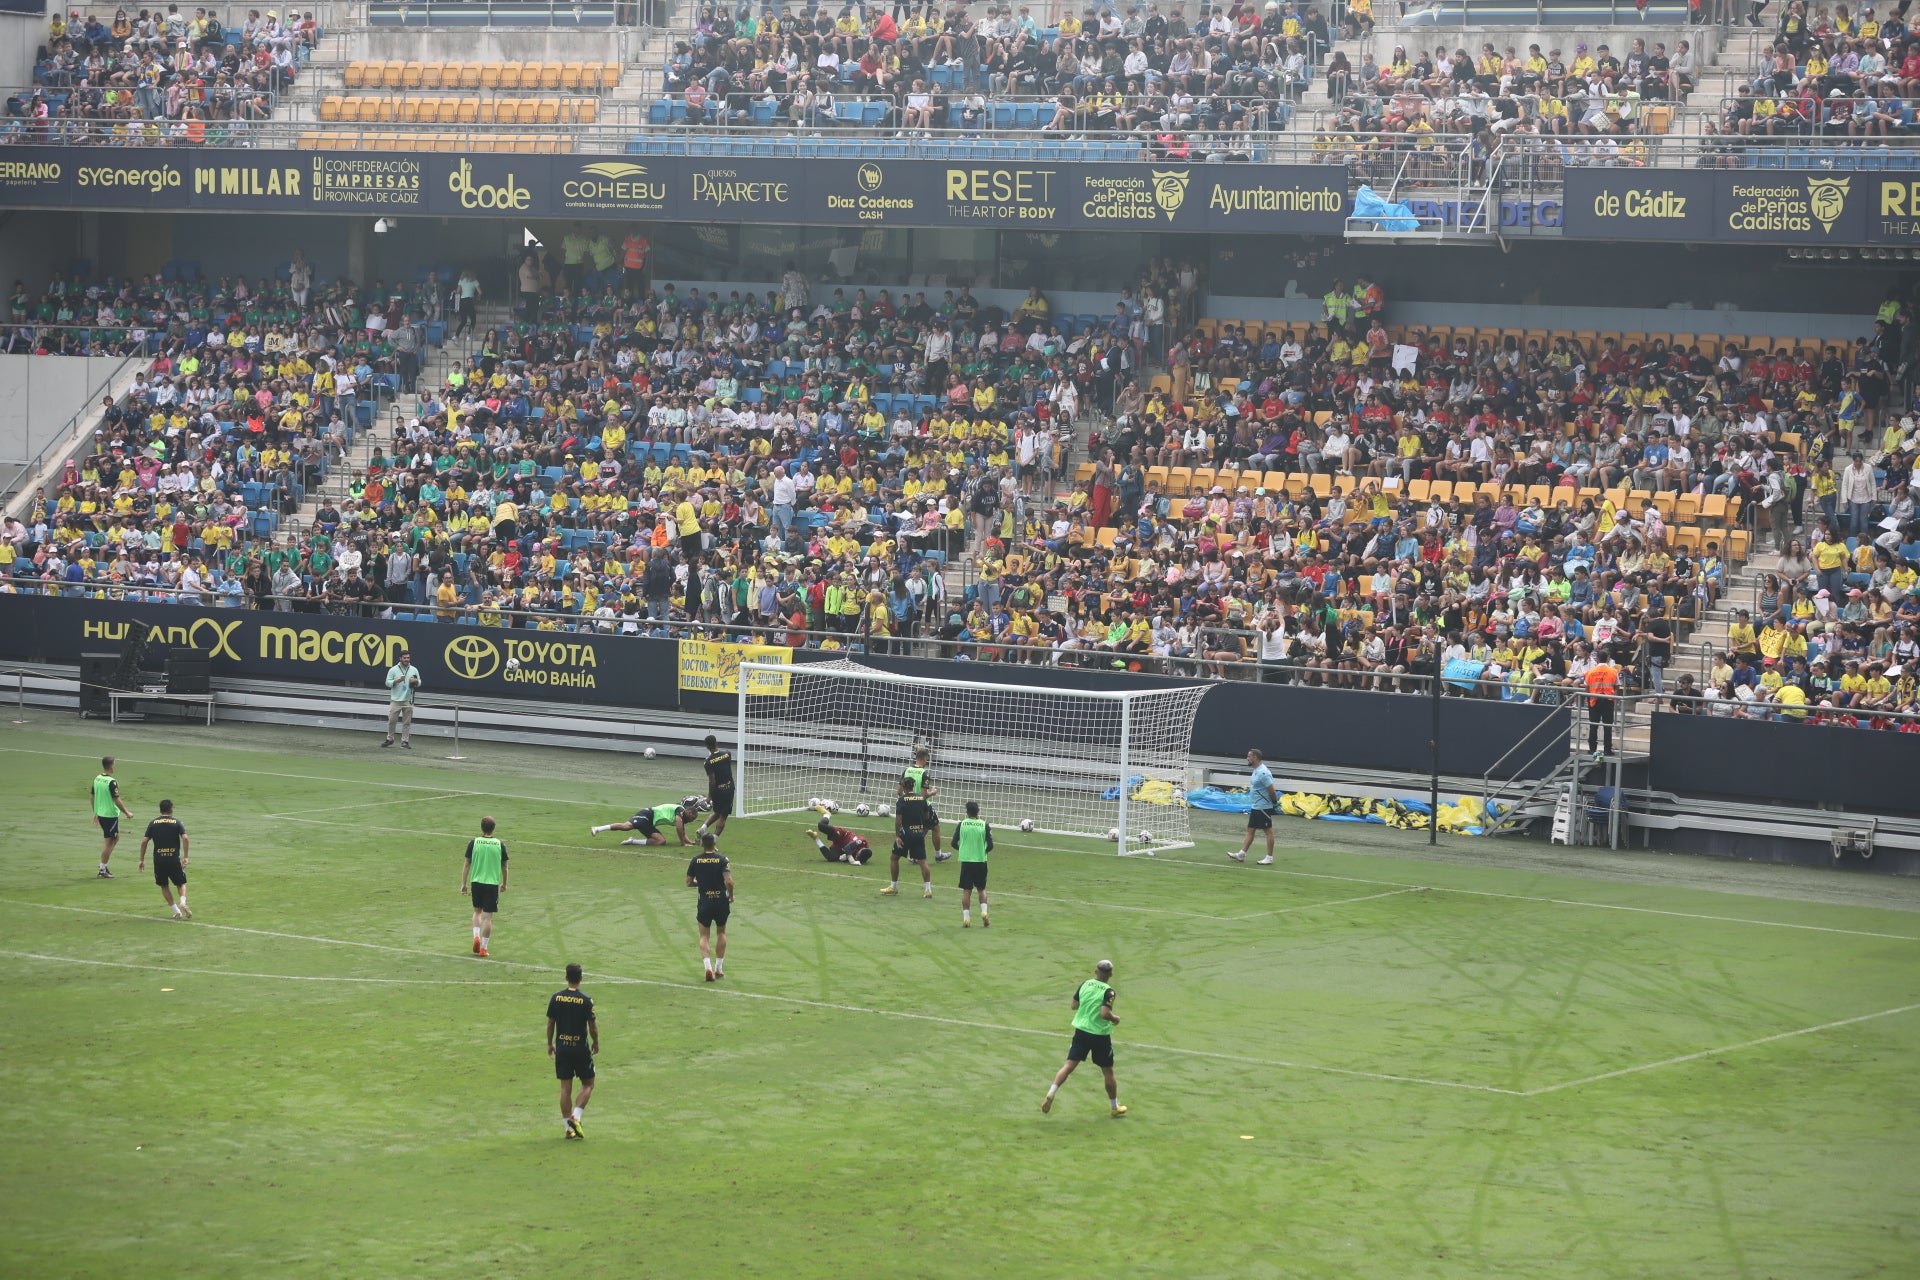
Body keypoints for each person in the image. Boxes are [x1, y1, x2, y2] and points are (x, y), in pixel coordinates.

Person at [1041, 958, 1126, 1117]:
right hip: (1100, 1036)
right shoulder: (1109, 992)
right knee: (1108, 1071)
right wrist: (1115, 1019)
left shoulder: (1085, 984)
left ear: (1095, 971)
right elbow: (1104, 1013)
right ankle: (1114, 1107)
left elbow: (1073, 1005)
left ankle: (1052, 1092)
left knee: (1068, 1066)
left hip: (1081, 1032)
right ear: (1111, 974)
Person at [546, 962, 598, 1140]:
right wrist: (596, 1042)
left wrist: (549, 1043)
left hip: (562, 1047)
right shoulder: (586, 1000)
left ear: (566, 977)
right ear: (581, 978)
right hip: (580, 1048)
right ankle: (576, 1116)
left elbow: (551, 1022)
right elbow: (592, 1026)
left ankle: (568, 1128)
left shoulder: (556, 998)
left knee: (565, 1089)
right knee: (588, 1084)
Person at [686, 832, 734, 981]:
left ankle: (708, 967)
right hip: (720, 901)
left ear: (702, 844)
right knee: (721, 932)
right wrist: (730, 896)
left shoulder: (695, 860)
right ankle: (719, 969)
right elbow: (729, 882)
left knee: (704, 935)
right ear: (714, 844)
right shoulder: (722, 860)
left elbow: (688, 882)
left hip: (705, 901)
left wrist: (700, 884)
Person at [459, 816, 508, 957]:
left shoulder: (473, 843)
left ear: (482, 828)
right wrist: (504, 883)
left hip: (476, 882)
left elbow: (467, 864)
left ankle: (476, 937)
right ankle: (484, 949)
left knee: (477, 912)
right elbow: (505, 866)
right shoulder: (500, 844)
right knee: (487, 918)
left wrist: (463, 884)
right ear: (493, 828)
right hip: (491, 884)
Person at [136, 798, 190, 919]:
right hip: (173, 858)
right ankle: (183, 901)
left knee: (164, 885)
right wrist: (186, 857)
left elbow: (144, 841)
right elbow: (185, 838)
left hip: (159, 859)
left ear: (160, 810)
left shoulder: (153, 823)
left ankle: (176, 911)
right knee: (180, 883)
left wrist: (141, 859)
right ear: (171, 809)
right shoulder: (177, 822)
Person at [881, 790, 936, 897]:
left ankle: (893, 887)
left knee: (894, 858)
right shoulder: (922, 799)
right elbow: (927, 816)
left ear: (905, 787)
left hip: (905, 835)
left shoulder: (901, 800)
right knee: (922, 862)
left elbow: (898, 821)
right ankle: (928, 890)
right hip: (918, 834)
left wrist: (897, 836)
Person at [1228, 748, 1277, 865]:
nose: (1247, 758)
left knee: (1268, 831)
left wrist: (1274, 802)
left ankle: (1269, 857)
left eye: (1249, 756)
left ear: (1255, 757)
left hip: (1263, 807)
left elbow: (1272, 791)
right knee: (1251, 829)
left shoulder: (1263, 773)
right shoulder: (1256, 770)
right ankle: (1241, 854)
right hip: (1256, 806)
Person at [90, 755, 134, 878]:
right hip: (109, 815)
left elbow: (92, 797)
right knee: (110, 842)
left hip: (102, 814)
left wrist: (95, 813)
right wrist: (127, 812)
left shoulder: (97, 779)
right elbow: (117, 800)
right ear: (111, 765)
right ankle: (102, 869)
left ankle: (103, 866)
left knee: (115, 838)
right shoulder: (111, 782)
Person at [954, 799, 993, 928]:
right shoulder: (984, 825)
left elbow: (954, 843)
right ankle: (984, 912)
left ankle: (966, 919)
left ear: (967, 812)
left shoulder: (961, 824)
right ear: (978, 812)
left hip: (966, 861)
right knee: (981, 889)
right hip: (981, 861)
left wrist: (963, 850)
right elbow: (991, 845)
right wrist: (983, 852)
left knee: (967, 891)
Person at [592, 801, 695, 846]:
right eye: (692, 817)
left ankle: (598, 829)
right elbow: (679, 828)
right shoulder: (680, 811)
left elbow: (683, 832)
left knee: (626, 826)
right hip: (647, 815)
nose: (692, 820)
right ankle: (598, 828)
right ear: (688, 812)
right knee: (660, 841)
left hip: (649, 819)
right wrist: (683, 843)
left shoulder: (681, 818)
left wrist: (690, 842)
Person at [1583, 648, 1621, 758]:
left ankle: (1592, 750)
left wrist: (1589, 698)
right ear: (1608, 658)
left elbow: (1587, 687)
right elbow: (1617, 686)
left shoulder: (1590, 672)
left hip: (1594, 700)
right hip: (1608, 701)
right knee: (1607, 726)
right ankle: (1607, 750)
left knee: (1593, 725)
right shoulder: (1613, 672)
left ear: (1597, 659)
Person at [382, 646, 420, 749]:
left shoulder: (414, 669)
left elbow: (419, 682)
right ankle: (390, 739)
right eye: (405, 658)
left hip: (408, 700)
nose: (407, 659)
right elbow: (387, 683)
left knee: (406, 723)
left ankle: (405, 741)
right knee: (391, 721)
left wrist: (415, 681)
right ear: (400, 659)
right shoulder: (393, 670)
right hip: (395, 700)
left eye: (408, 657)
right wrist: (396, 681)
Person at [700, 734, 735, 839]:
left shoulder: (708, 762)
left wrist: (709, 796)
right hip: (728, 789)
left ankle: (702, 828)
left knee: (717, 812)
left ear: (706, 746)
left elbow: (712, 780)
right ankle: (713, 841)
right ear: (716, 743)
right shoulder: (727, 754)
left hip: (717, 791)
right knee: (723, 816)